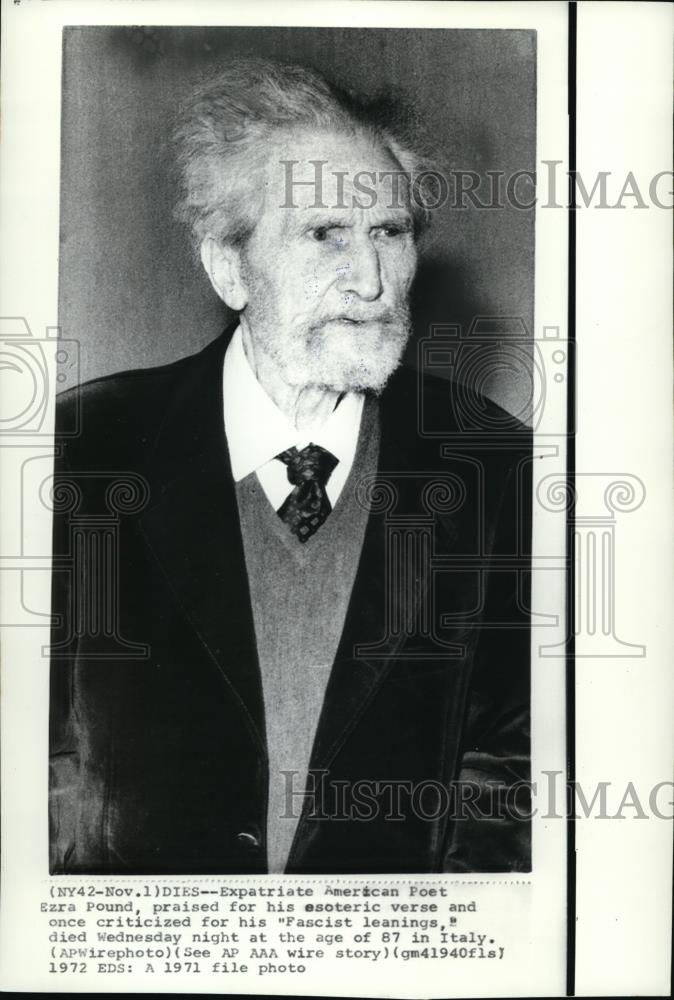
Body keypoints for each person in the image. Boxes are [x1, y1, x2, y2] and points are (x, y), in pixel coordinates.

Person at [49, 57, 532, 875]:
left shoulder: (492, 462)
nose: (373, 280)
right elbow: (39, 760)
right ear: (228, 267)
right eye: (324, 234)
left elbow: (510, 773)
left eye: (390, 232)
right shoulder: (84, 448)